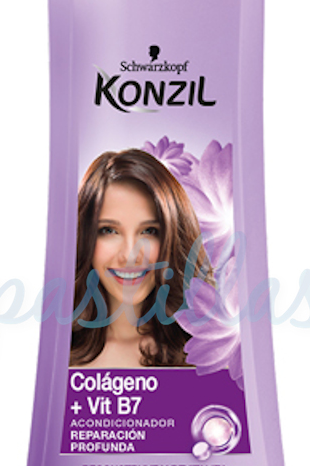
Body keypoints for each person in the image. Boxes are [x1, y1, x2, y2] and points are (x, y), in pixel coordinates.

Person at [70, 148, 210, 368]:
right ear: (83, 237)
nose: (129, 255)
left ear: (174, 238)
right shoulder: (56, 352)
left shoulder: (210, 354)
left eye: (149, 231)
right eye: (108, 230)